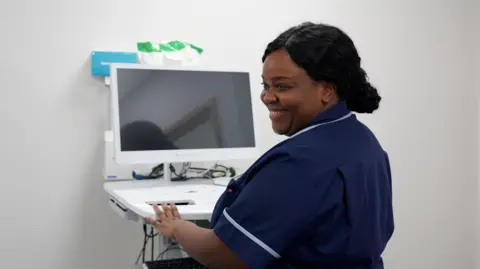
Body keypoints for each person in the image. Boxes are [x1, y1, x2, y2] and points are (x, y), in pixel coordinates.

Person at [147, 22, 394, 269]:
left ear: (327, 90)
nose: (268, 97)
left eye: (282, 86)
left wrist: (178, 228)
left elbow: (224, 256)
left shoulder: (300, 162)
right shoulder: (363, 141)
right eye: (266, 85)